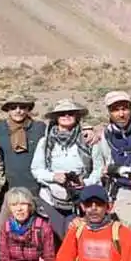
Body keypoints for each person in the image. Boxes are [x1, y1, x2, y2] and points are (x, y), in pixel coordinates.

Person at [31, 99, 99, 237]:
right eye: (62, 113)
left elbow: (98, 169)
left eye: (71, 113)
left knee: (77, 235)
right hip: (51, 198)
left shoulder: (88, 140)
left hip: (82, 198)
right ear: (56, 117)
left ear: (77, 116)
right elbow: (36, 170)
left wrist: (84, 182)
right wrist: (54, 177)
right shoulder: (45, 142)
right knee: (54, 236)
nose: (66, 116)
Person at [0, 94, 45, 196]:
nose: (18, 111)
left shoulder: (40, 128)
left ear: (28, 109)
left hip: (35, 187)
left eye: (22, 107)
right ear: (8, 110)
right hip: (6, 188)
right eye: (13, 108)